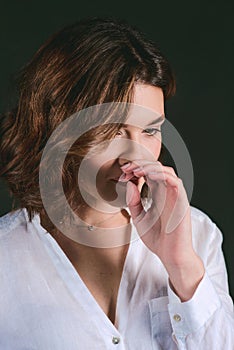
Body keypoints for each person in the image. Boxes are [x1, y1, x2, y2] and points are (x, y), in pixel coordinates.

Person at [0, 17, 233, 350]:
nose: (134, 157)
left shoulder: (198, 236)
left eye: (150, 131)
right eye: (112, 131)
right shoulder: (6, 259)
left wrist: (182, 267)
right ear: (59, 127)